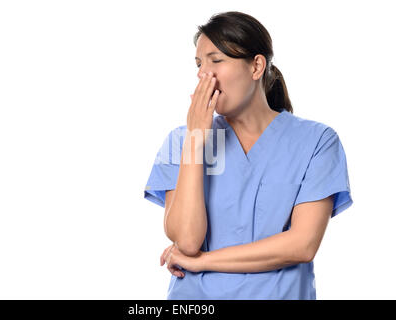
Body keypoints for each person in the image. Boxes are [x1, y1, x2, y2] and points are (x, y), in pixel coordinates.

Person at [143, 11, 353, 300]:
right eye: (199, 64)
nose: (205, 74)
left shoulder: (317, 141)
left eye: (216, 60)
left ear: (256, 66)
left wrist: (204, 262)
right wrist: (195, 141)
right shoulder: (180, 140)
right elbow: (188, 241)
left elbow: (302, 245)